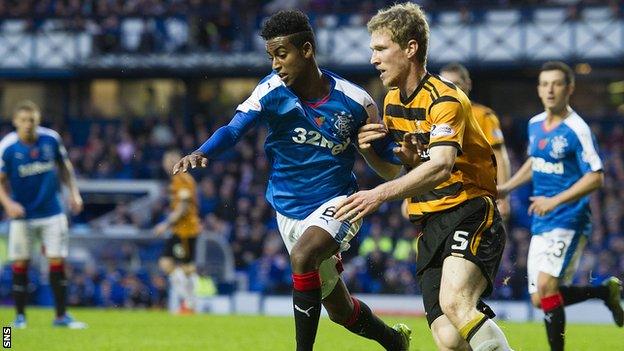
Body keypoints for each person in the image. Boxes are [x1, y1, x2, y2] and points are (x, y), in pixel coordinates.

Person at [172, 10, 411, 351]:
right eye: (271, 56)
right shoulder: (270, 92)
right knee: (340, 310)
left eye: (281, 54)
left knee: (302, 256)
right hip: (287, 209)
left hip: (338, 202)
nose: (275, 65)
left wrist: (406, 152)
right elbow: (234, 128)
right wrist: (203, 150)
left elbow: (385, 153)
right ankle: (393, 340)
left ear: (307, 50)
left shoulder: (356, 101)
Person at [334, 3, 513, 350]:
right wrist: (369, 152)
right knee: (448, 338)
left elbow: (443, 165)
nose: (373, 58)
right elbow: (401, 172)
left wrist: (379, 194)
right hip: (429, 224)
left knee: (456, 304)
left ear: (410, 48)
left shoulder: (445, 98)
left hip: (470, 209)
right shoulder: (390, 103)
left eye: (380, 48)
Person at [497, 61, 623, 351]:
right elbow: (535, 161)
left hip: (569, 217)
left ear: (569, 89)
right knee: (539, 299)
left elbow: (596, 176)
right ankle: (604, 292)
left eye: (556, 84)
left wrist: (553, 201)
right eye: (544, 84)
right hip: (542, 219)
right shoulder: (534, 124)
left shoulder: (577, 129)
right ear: (539, 89)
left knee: (546, 287)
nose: (550, 90)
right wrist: (507, 186)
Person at [0, 100, 87, 329]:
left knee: (57, 261)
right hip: (22, 215)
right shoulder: (7, 147)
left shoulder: (51, 139)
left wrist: (74, 193)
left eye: (33, 121)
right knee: (21, 263)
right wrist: (7, 203)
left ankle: (61, 316)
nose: (29, 125)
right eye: (24, 120)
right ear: (16, 122)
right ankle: (19, 318)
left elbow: (65, 167)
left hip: (52, 212)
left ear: (38, 122)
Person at [440, 63, 511, 221]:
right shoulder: (432, 118)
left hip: (477, 197)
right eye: (445, 84)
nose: (451, 89)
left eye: (456, 84)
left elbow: (500, 157)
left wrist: (504, 197)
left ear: (468, 84)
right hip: (442, 199)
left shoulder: (483, 116)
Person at [154, 149, 201, 314]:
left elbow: (183, 206)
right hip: (182, 229)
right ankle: (190, 304)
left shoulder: (181, 178)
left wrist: (164, 224)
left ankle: (190, 303)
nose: (165, 164)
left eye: (167, 161)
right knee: (184, 267)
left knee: (173, 265)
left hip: (185, 231)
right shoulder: (180, 179)